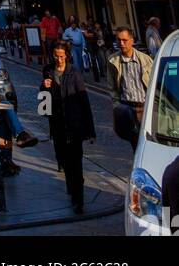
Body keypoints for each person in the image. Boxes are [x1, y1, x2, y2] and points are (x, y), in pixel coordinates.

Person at [41, 39, 95, 213]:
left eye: (62, 56)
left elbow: (84, 101)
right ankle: (72, 188)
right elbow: (43, 108)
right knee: (64, 161)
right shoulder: (47, 72)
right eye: (56, 56)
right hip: (57, 126)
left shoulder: (74, 73)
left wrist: (90, 129)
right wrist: (43, 88)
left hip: (74, 125)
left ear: (67, 55)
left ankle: (79, 200)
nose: (59, 59)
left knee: (76, 163)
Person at [107, 26, 153, 147]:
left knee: (149, 143)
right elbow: (112, 87)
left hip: (144, 108)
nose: (121, 43)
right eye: (119, 40)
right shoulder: (113, 61)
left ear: (132, 40)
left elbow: (154, 84)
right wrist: (117, 105)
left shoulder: (145, 60)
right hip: (127, 108)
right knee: (135, 143)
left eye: (124, 40)